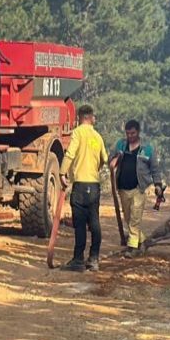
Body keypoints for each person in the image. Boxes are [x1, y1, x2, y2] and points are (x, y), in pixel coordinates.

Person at [60, 104, 110, 271]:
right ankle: (94, 258)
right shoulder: (97, 136)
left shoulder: (78, 133)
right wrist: (94, 168)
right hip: (94, 185)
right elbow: (104, 158)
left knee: (80, 224)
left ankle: (78, 259)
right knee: (94, 222)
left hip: (80, 185)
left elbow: (70, 154)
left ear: (79, 118)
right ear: (92, 118)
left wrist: (62, 173)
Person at [110, 119, 163, 257]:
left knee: (135, 218)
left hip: (139, 189)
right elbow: (111, 161)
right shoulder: (121, 145)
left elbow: (155, 169)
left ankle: (132, 247)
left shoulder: (147, 148)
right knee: (128, 218)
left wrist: (157, 185)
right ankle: (143, 240)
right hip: (122, 188)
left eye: (132, 133)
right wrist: (115, 159)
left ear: (138, 132)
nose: (130, 136)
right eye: (128, 133)